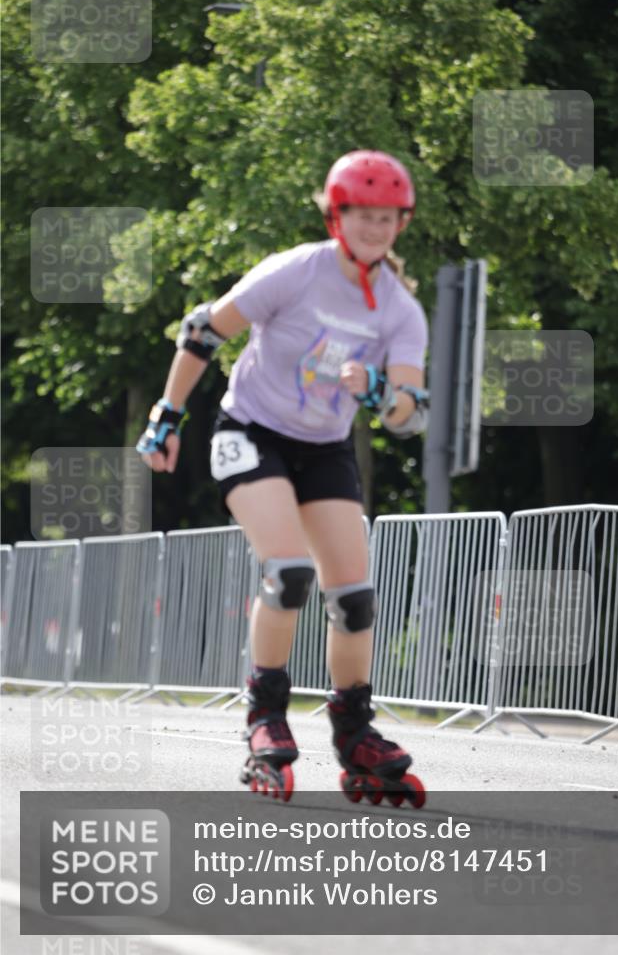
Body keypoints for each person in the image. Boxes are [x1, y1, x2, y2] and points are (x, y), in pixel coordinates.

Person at [137, 150, 429, 806]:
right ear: (336, 216)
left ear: (400, 223)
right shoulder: (297, 271)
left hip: (323, 450)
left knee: (354, 597)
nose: (375, 229)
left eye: (387, 219)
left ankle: (353, 728)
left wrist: (380, 387)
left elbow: (411, 413)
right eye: (363, 216)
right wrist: (167, 414)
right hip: (251, 433)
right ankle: (264, 711)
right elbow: (203, 330)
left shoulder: (400, 311)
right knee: (289, 574)